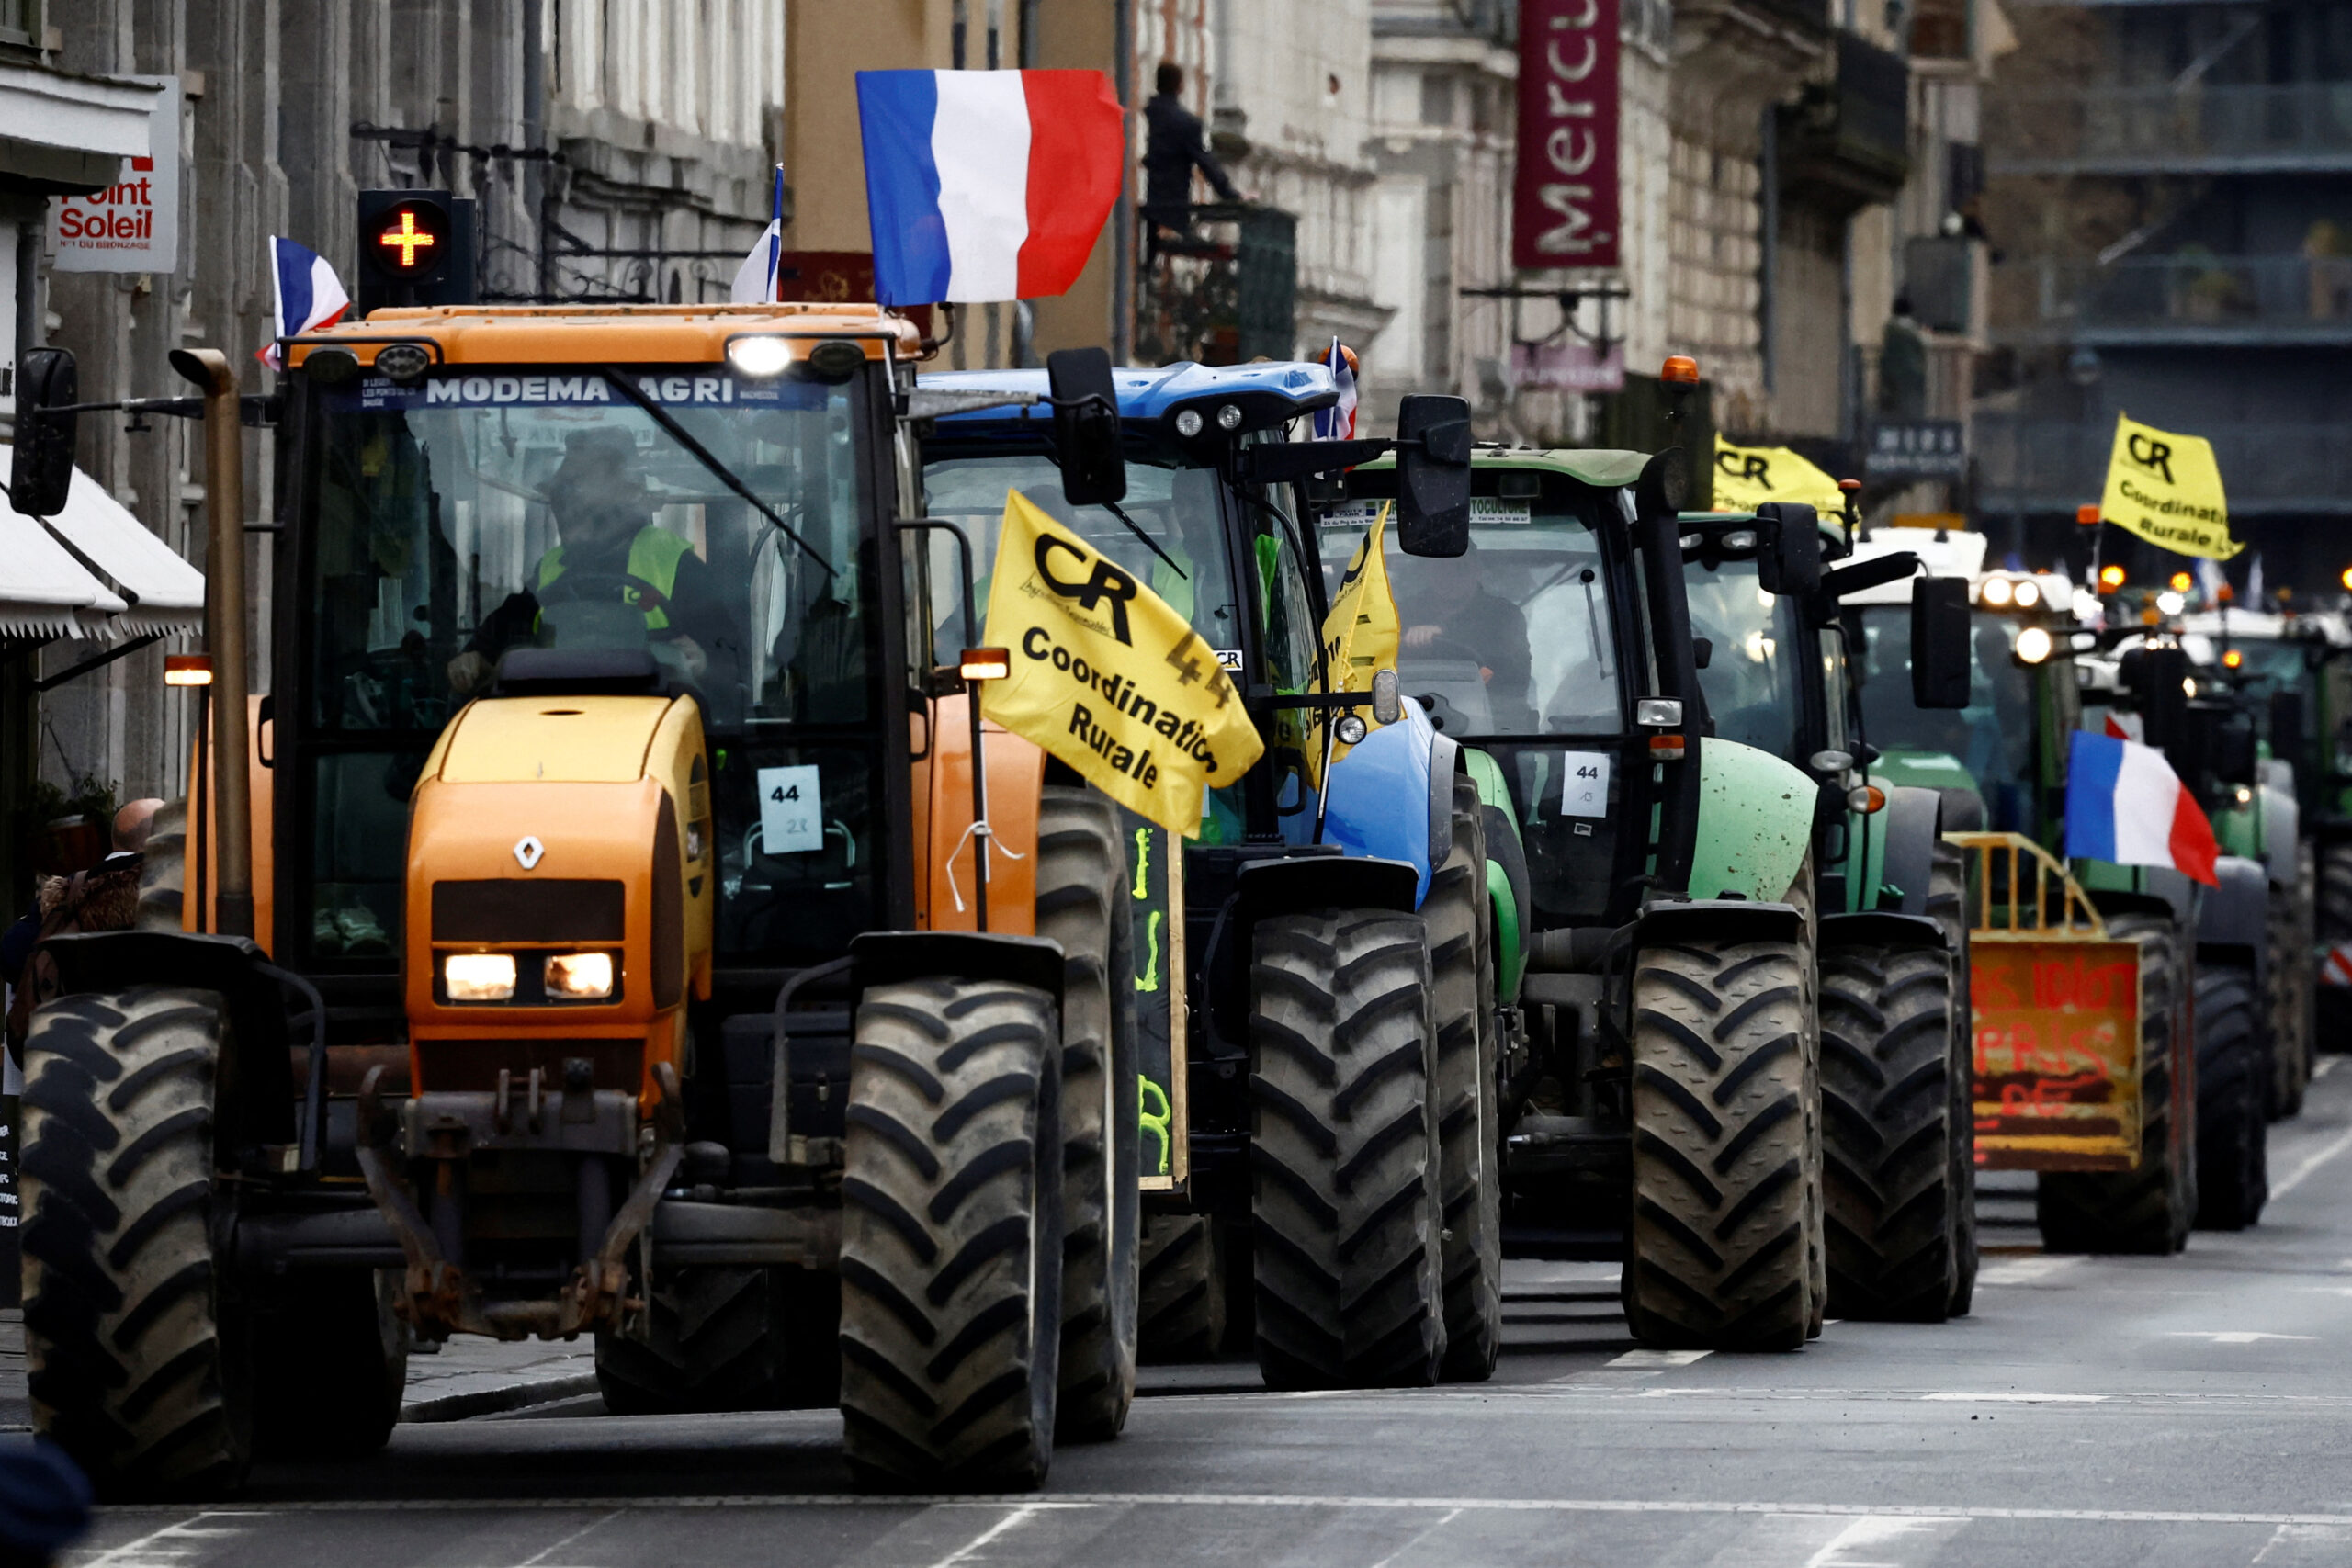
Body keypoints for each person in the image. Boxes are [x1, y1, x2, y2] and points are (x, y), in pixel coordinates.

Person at [447, 428, 732, 695]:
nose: (562, 504)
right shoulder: (551, 569)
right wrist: (474, 662)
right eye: (558, 492)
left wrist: (704, 661)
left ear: (628, 493)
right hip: (552, 721)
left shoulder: (674, 563)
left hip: (650, 720)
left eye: (576, 490)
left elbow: (731, 662)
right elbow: (495, 642)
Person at [1393, 542, 1532, 728]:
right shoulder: (1400, 613)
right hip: (1406, 720)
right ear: (1428, 571)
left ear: (1477, 570)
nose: (1449, 575)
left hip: (1492, 727)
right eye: (1440, 568)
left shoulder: (1505, 615)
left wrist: (1446, 633)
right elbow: (1376, 660)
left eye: (1459, 567)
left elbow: (1516, 675)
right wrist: (1406, 643)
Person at [1142, 62, 1239, 236]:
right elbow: (1206, 163)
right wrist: (1230, 194)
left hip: (1147, 202)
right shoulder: (1187, 124)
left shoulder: (1147, 115)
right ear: (1180, 86)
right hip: (1173, 205)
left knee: (1151, 251)